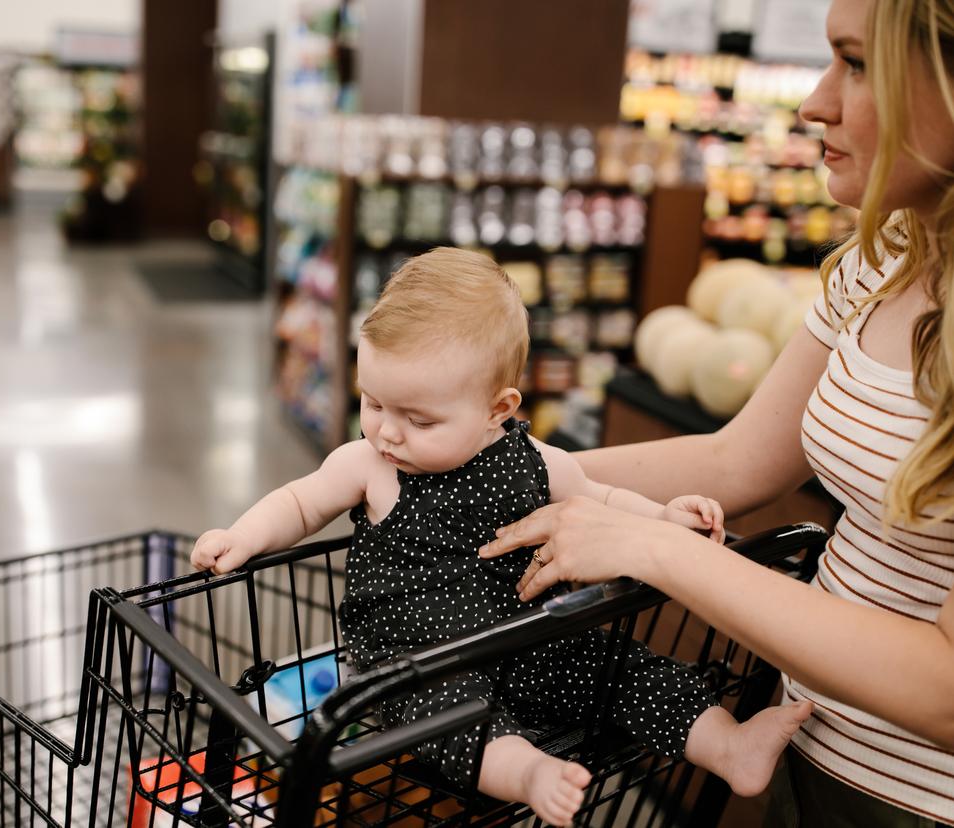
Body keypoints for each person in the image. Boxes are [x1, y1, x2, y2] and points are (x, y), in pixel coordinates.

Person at [479, 1, 954, 825]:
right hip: (811, 755)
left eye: (857, 63)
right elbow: (737, 461)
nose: (815, 101)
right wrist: (477, 465)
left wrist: (664, 549)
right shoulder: (884, 259)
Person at [192, 247, 812, 826]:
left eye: (419, 419)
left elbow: (601, 500)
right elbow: (300, 502)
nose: (388, 433)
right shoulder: (368, 466)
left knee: (623, 667)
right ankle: (528, 772)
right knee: (443, 720)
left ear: (499, 407)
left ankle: (728, 744)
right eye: (373, 403)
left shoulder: (538, 461)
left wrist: (666, 518)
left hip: (531, 642)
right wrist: (244, 534)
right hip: (417, 661)